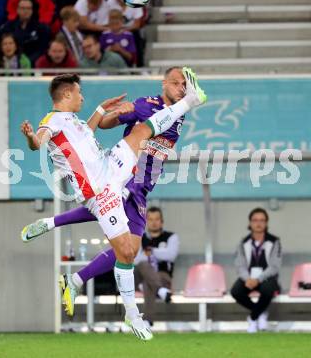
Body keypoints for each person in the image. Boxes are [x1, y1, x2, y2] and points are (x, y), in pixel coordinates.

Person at [20, 69, 207, 340]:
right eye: (80, 92)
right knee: (127, 251)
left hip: (117, 169)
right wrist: (31, 137)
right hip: (101, 188)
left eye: (184, 86)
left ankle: (66, 261)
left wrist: (98, 108)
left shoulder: (74, 120)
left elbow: (90, 128)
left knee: (143, 132)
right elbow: (39, 141)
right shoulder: (52, 120)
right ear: (67, 94)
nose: (82, 97)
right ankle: (132, 315)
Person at [231, 207, 282, 333]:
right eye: (255, 220)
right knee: (236, 291)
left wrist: (258, 280)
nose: (258, 223)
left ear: (266, 223)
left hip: (267, 278)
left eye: (262, 220)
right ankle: (260, 312)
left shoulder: (274, 241)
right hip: (248, 277)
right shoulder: (243, 242)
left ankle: (253, 317)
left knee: (268, 290)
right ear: (250, 223)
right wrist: (247, 279)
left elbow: (275, 266)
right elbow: (239, 264)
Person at [135, 206, 179, 326]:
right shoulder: (139, 237)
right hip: (138, 276)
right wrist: (157, 253)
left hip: (162, 276)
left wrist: (151, 252)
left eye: (157, 219)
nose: (153, 222)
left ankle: (147, 321)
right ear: (146, 221)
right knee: (143, 264)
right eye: (150, 219)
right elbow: (135, 259)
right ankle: (161, 291)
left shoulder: (171, 237)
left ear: (162, 221)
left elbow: (171, 255)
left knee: (148, 282)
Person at [0, 0, 51, 65]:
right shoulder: (8, 27)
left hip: (34, 64)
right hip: (12, 63)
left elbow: (42, 49)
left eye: (28, 8)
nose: (26, 11)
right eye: (23, 8)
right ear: (17, 10)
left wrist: (27, 61)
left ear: (32, 10)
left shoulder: (41, 28)